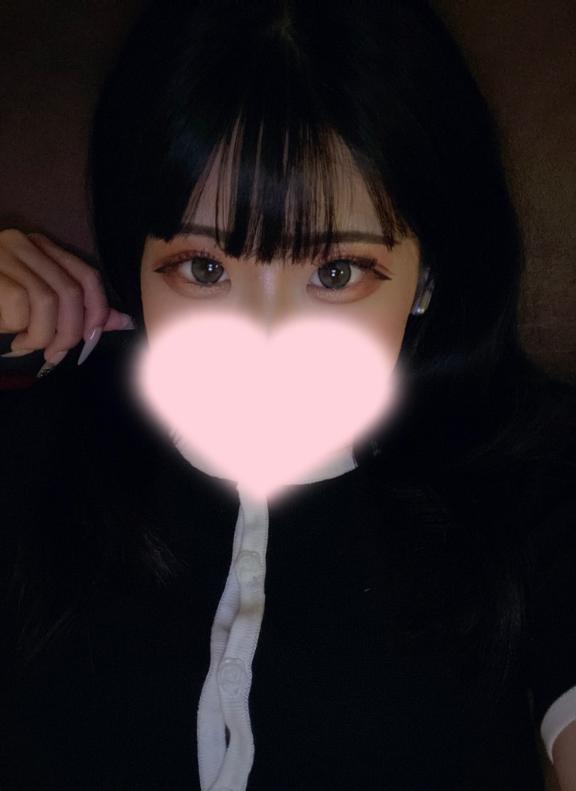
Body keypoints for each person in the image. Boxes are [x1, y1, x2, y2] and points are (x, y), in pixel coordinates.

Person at [0, 0, 575, 789]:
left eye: (336, 273)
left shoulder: (536, 471)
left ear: (427, 275)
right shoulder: (33, 440)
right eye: (205, 268)